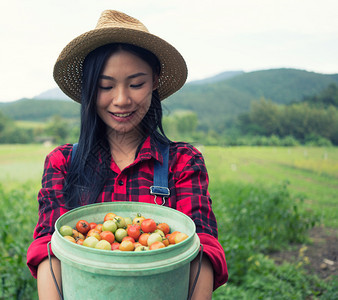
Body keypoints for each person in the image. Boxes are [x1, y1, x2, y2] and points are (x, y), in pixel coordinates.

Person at [27, 9, 228, 299]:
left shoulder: (183, 162)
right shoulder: (62, 164)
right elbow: (49, 247)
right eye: (105, 86)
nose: (121, 100)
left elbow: (202, 248)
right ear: (88, 89)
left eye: (136, 84)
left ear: (155, 80)